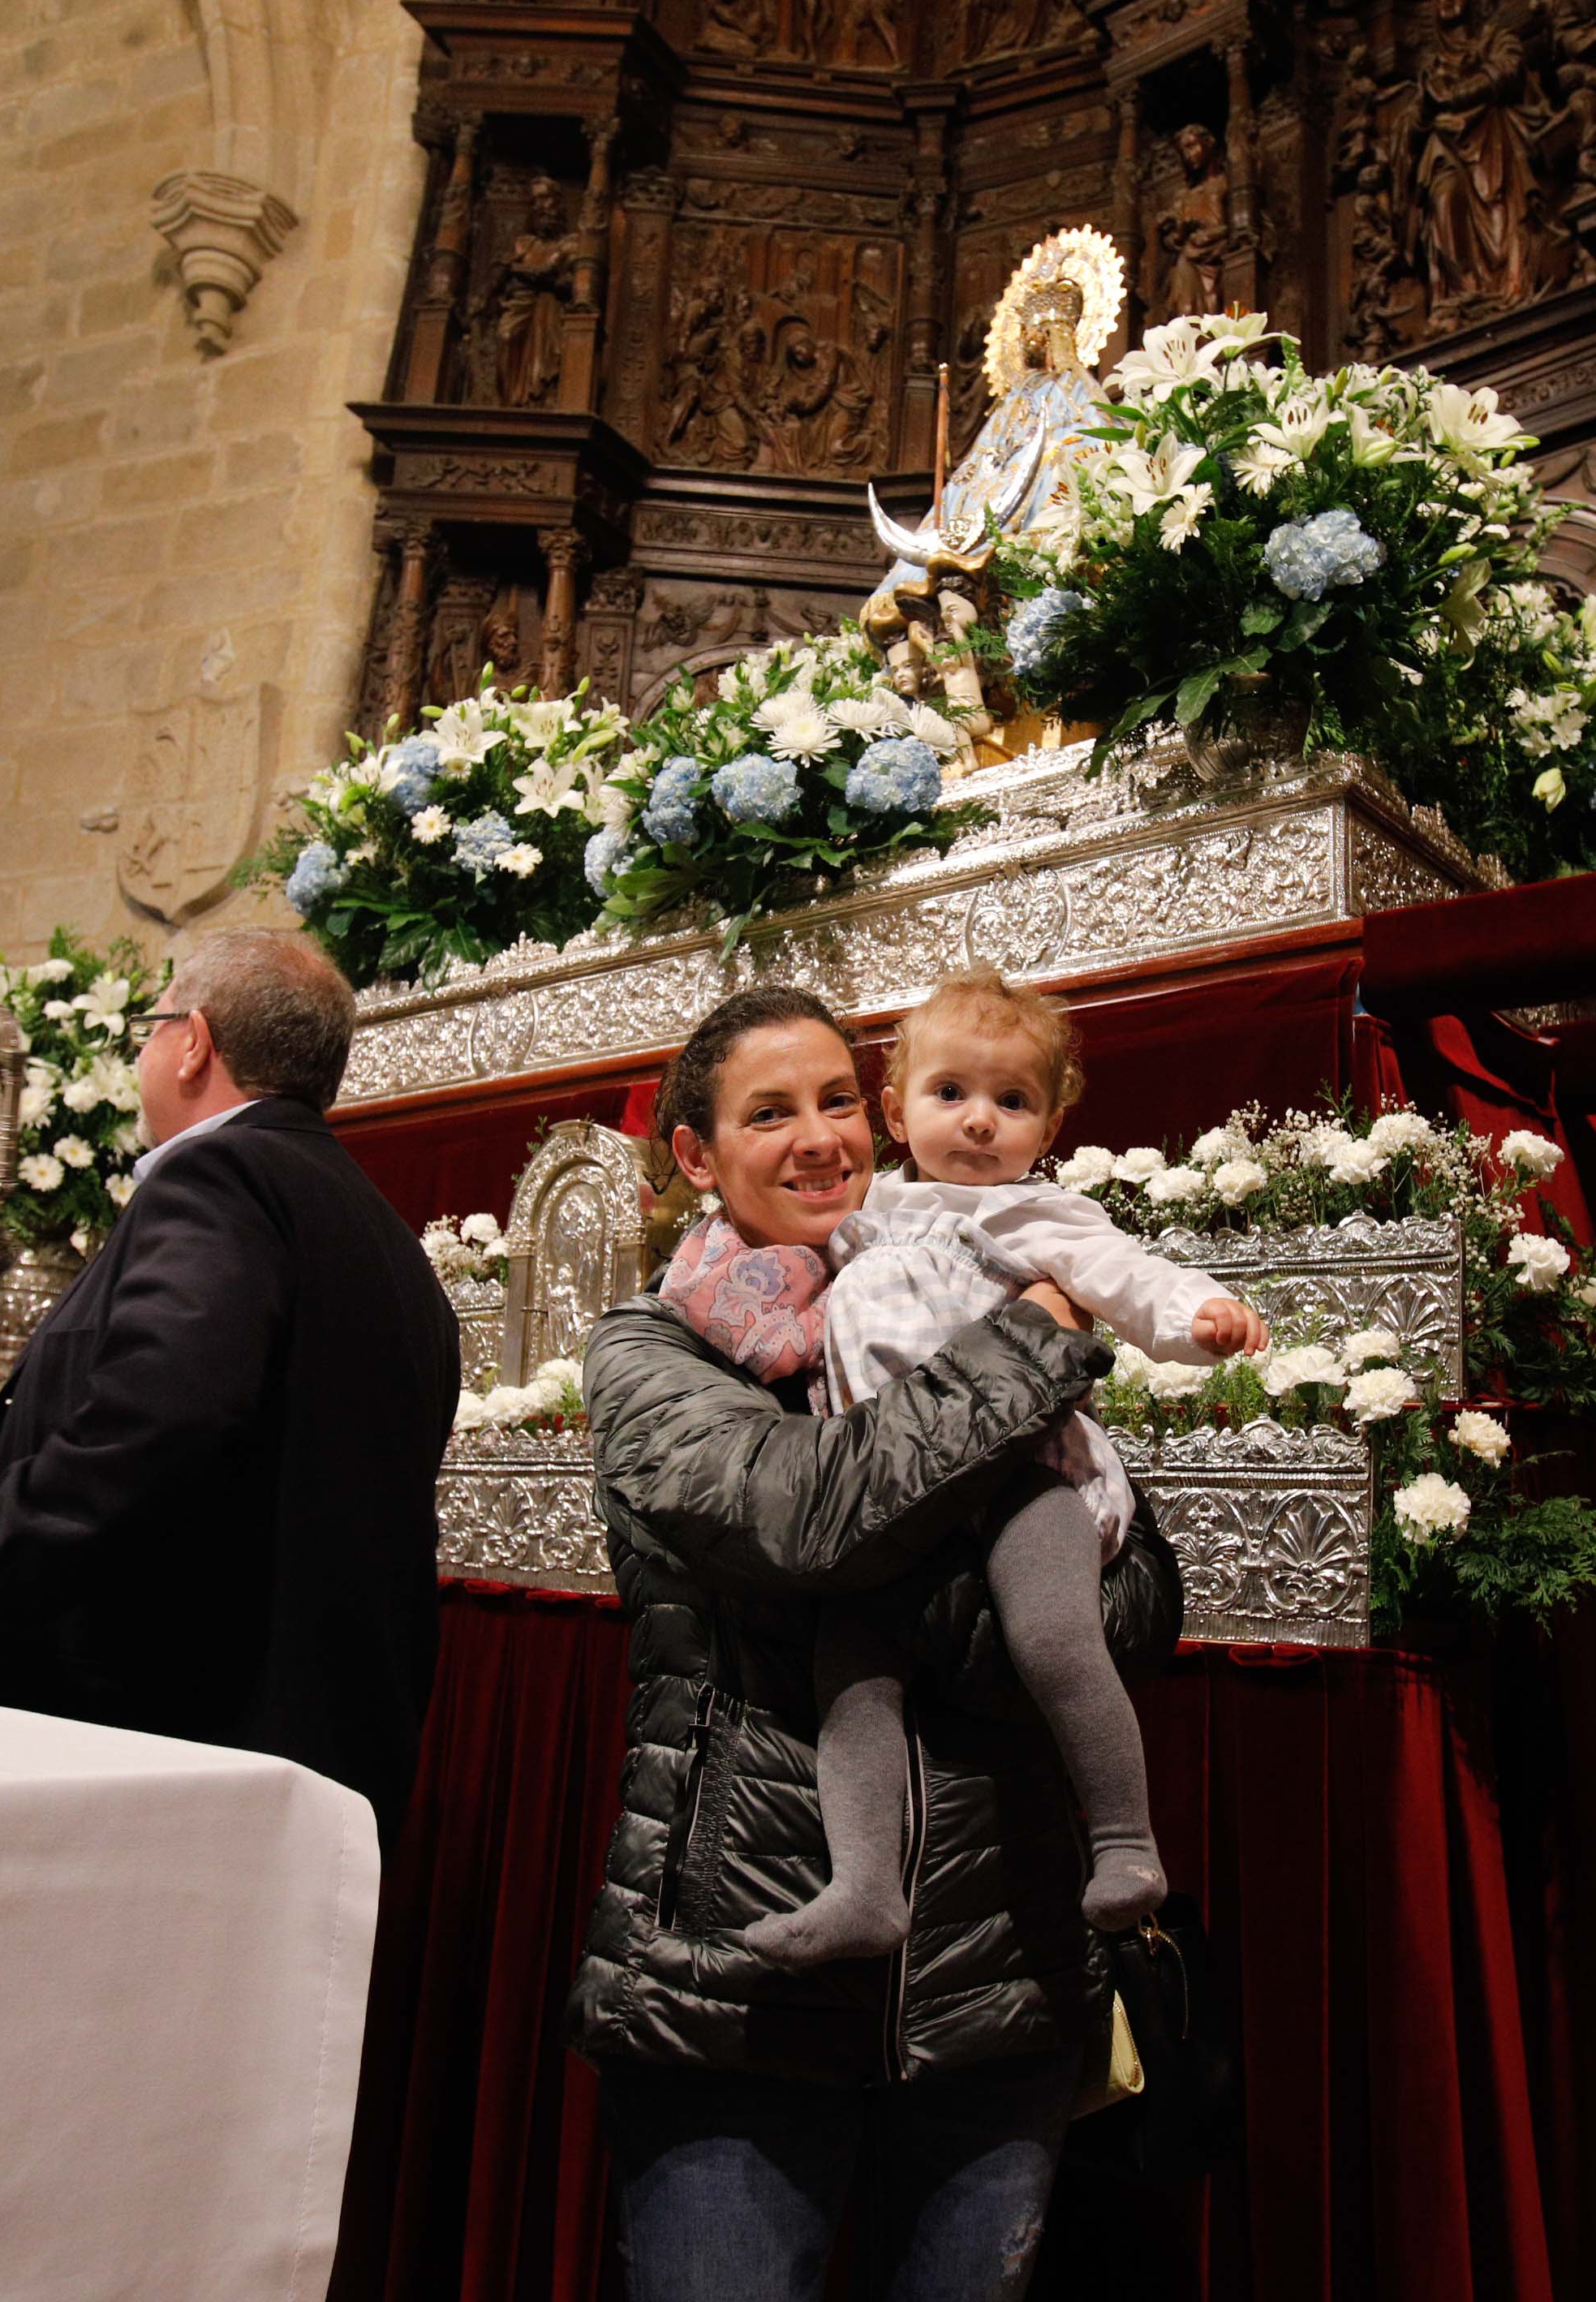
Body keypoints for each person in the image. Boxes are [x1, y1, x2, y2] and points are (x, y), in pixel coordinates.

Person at [570, 983, 1183, 2302]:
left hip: (995, 1979)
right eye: (766, 1112)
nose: (815, 1138)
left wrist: (1001, 1600)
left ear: (880, 1113)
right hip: (740, 1992)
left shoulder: (964, 1268)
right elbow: (802, 1523)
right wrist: (1031, 1343)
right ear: (697, 1155)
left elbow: (1137, 1605)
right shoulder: (654, 1352)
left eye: (835, 1101)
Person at [659, 967, 1258, 1969]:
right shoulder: (865, 1211)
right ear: (898, 1109)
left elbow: (1129, 1276)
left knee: (1055, 1631)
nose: (980, 1123)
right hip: (891, 1505)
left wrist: (1195, 1318)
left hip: (1028, 1481)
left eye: (1011, 1101)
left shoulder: (1036, 1218)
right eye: (951, 1094)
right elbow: (765, 1282)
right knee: (854, 1675)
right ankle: (862, 1888)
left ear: (1050, 1124)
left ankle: (1124, 1842)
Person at [0, 928, 456, 1839]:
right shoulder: (387, 1241)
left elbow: (157, 1417)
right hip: (312, 1746)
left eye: (151, 1028)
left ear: (192, 1041)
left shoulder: (220, 1174)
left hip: (164, 1729)